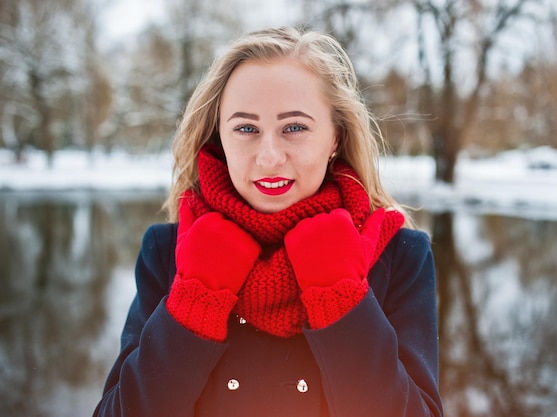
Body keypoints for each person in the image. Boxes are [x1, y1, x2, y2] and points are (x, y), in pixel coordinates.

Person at [93, 26, 443, 417]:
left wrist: (342, 300)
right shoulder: (166, 252)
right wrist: (194, 302)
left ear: (335, 138)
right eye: (246, 128)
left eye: (294, 127)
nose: (270, 156)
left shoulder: (402, 257)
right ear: (219, 137)